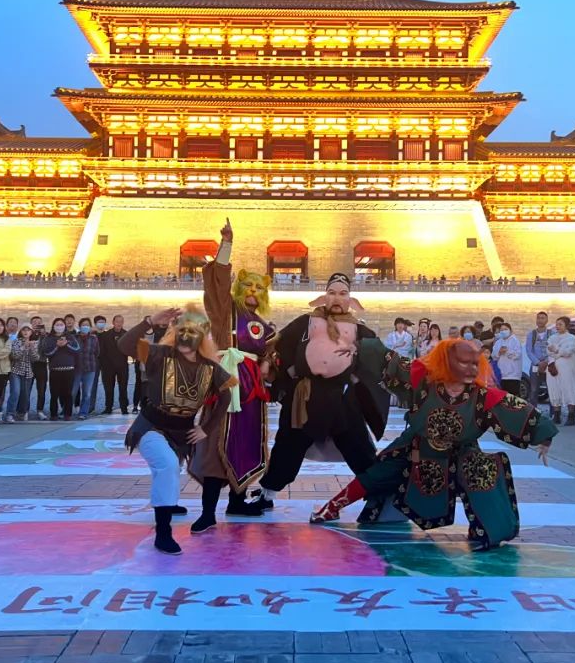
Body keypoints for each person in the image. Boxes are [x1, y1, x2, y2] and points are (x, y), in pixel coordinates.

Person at [309, 338, 559, 550]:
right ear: (447, 362)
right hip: (415, 447)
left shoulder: (483, 397)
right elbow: (391, 362)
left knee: (481, 470)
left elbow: (515, 408)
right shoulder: (424, 382)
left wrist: (544, 438)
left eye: (475, 363)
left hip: (461, 452)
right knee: (377, 473)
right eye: (463, 362)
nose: (471, 368)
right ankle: (332, 507)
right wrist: (359, 347)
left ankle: (488, 531)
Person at [252, 273, 388, 512]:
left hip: (342, 398)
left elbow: (378, 358)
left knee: (359, 447)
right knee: (288, 446)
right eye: (332, 293)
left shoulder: (361, 331)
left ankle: (378, 495)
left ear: (351, 300)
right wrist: (282, 368)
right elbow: (279, 344)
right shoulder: (305, 322)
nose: (337, 298)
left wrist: (356, 372)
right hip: (305, 396)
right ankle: (267, 494)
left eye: (343, 293)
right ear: (323, 298)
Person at [121, 307, 234, 554]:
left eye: (193, 331)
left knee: (166, 469)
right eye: (182, 329)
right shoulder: (159, 354)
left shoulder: (210, 367)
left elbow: (226, 395)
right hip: (150, 426)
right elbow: (125, 345)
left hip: (181, 434)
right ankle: (163, 532)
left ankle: (166, 504)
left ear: (202, 335)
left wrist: (206, 428)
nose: (186, 336)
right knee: (167, 465)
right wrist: (149, 321)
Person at [189, 219, 275, 532]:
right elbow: (218, 284)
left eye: (259, 287)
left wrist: (268, 365)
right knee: (217, 440)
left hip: (252, 392)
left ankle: (237, 502)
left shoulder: (262, 325)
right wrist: (226, 245)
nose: (253, 291)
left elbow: (269, 356)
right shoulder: (226, 311)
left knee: (246, 442)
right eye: (248, 285)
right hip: (227, 383)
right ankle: (208, 511)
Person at [39, 318, 80, 420]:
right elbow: (47, 353)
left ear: (64, 326)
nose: (59, 326)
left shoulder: (70, 337)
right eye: (57, 324)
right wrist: (57, 346)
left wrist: (66, 344)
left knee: (68, 393)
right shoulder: (49, 338)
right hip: (55, 370)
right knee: (54, 393)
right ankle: (53, 414)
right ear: (53, 326)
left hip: (69, 369)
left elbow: (77, 350)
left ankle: (67, 414)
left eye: (61, 324)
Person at [545, 317, 575, 426]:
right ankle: (557, 415)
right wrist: (556, 355)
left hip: (567, 369)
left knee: (569, 390)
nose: (558, 326)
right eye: (557, 324)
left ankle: (571, 416)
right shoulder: (552, 337)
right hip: (553, 368)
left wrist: (557, 350)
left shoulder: (572, 338)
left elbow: (568, 352)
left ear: (566, 325)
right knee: (554, 389)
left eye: (560, 324)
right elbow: (548, 351)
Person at [7, 324, 38, 422]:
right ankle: (10, 413)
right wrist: (23, 347)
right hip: (16, 371)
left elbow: (35, 359)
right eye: (24, 330)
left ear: (31, 332)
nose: (26, 332)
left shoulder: (34, 343)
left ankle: (21, 413)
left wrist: (32, 348)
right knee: (15, 392)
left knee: (25, 395)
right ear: (20, 331)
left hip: (28, 372)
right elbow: (14, 356)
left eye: (28, 330)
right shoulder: (16, 342)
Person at [98, 314, 129, 414]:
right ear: (113, 322)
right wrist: (103, 365)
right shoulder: (105, 335)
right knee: (109, 388)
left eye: (121, 321)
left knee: (123, 387)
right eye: (117, 321)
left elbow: (130, 350)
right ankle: (108, 407)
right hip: (108, 366)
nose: (119, 323)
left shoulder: (126, 334)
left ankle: (124, 408)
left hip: (122, 365)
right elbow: (101, 352)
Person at [72, 317, 100, 419]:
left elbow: (97, 352)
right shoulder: (74, 338)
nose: (85, 327)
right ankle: (67, 411)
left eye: (87, 325)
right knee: (73, 392)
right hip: (76, 369)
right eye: (83, 325)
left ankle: (83, 413)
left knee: (87, 393)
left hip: (90, 368)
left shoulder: (94, 338)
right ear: (79, 326)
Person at [525, 311, 552, 406]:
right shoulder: (531, 334)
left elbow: (554, 350)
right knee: (533, 390)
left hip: (549, 366)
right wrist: (538, 362)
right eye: (538, 318)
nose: (540, 320)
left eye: (542, 318)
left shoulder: (552, 334)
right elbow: (529, 350)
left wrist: (546, 361)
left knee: (552, 389)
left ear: (547, 320)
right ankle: (533, 411)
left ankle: (553, 412)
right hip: (535, 366)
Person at [492, 322, 522, 395]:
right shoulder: (498, 342)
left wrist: (507, 351)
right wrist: (499, 352)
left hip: (513, 376)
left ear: (510, 330)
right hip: (501, 375)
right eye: (501, 330)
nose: (503, 331)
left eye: (505, 329)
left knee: (512, 397)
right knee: (501, 397)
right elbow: (493, 356)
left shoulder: (515, 341)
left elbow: (517, 355)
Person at [29, 316, 49, 420]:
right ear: (31, 324)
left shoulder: (46, 335)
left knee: (41, 390)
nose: (37, 323)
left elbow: (48, 347)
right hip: (29, 365)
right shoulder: (27, 334)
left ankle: (40, 410)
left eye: (39, 322)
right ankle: (24, 411)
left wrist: (44, 335)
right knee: (27, 390)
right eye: (34, 322)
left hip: (41, 364)